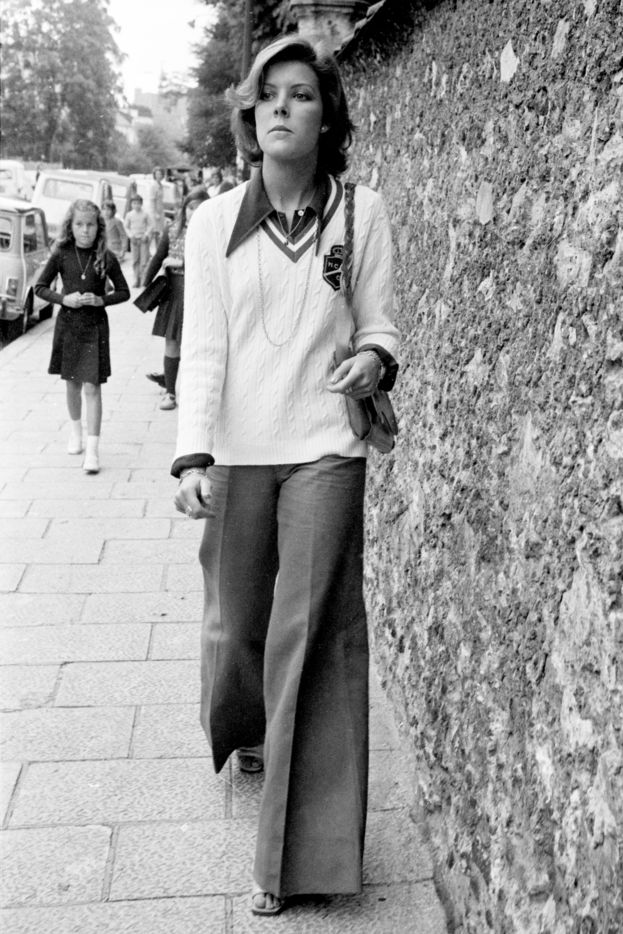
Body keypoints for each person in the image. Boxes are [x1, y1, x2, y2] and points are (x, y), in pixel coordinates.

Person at [172, 35, 399, 917]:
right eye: (267, 94)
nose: (280, 107)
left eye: (300, 93)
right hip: (236, 450)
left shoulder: (361, 213)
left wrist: (374, 360)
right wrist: (192, 452)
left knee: (310, 640)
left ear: (325, 115)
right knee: (236, 629)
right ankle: (244, 725)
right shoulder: (212, 222)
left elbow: (379, 324)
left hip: (324, 450)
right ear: (249, 114)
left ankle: (292, 859)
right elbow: (203, 348)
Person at [35, 199, 130, 473]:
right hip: (68, 325)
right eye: (79, 224)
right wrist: (64, 299)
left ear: (98, 227)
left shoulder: (106, 256)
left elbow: (124, 292)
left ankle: (92, 451)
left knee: (93, 387)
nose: (85, 230)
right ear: (71, 226)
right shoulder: (62, 253)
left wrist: (101, 300)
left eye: (90, 225)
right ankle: (75, 432)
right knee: (72, 384)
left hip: (95, 327)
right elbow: (40, 287)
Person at [142, 187, 210, 409]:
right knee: (172, 341)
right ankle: (170, 393)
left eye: (199, 208)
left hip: (200, 291)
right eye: (190, 207)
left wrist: (181, 262)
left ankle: (195, 393)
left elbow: (212, 261)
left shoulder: (212, 231)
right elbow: (159, 256)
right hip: (175, 291)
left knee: (196, 344)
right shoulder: (172, 230)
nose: (194, 212)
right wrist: (146, 282)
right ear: (184, 208)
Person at [123, 194, 152, 287]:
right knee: (135, 260)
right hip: (134, 240)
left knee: (144, 261)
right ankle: (136, 279)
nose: (136, 205)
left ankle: (143, 279)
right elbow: (126, 227)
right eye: (134, 203)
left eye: (138, 203)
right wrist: (131, 236)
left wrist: (146, 234)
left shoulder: (145, 214)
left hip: (143, 240)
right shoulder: (129, 215)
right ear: (131, 204)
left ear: (141, 204)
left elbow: (150, 225)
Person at [102, 200, 127, 264]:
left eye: (108, 209)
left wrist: (123, 250)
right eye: (104, 209)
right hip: (103, 249)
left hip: (115, 249)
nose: (106, 212)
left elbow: (123, 235)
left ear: (113, 211)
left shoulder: (117, 221)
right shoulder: (100, 221)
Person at [149, 166, 166, 247]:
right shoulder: (153, 186)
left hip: (160, 211)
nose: (159, 176)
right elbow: (152, 201)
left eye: (160, 174)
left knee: (160, 231)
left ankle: (158, 248)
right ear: (154, 175)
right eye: (157, 174)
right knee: (155, 231)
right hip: (155, 212)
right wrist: (155, 213)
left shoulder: (161, 185)